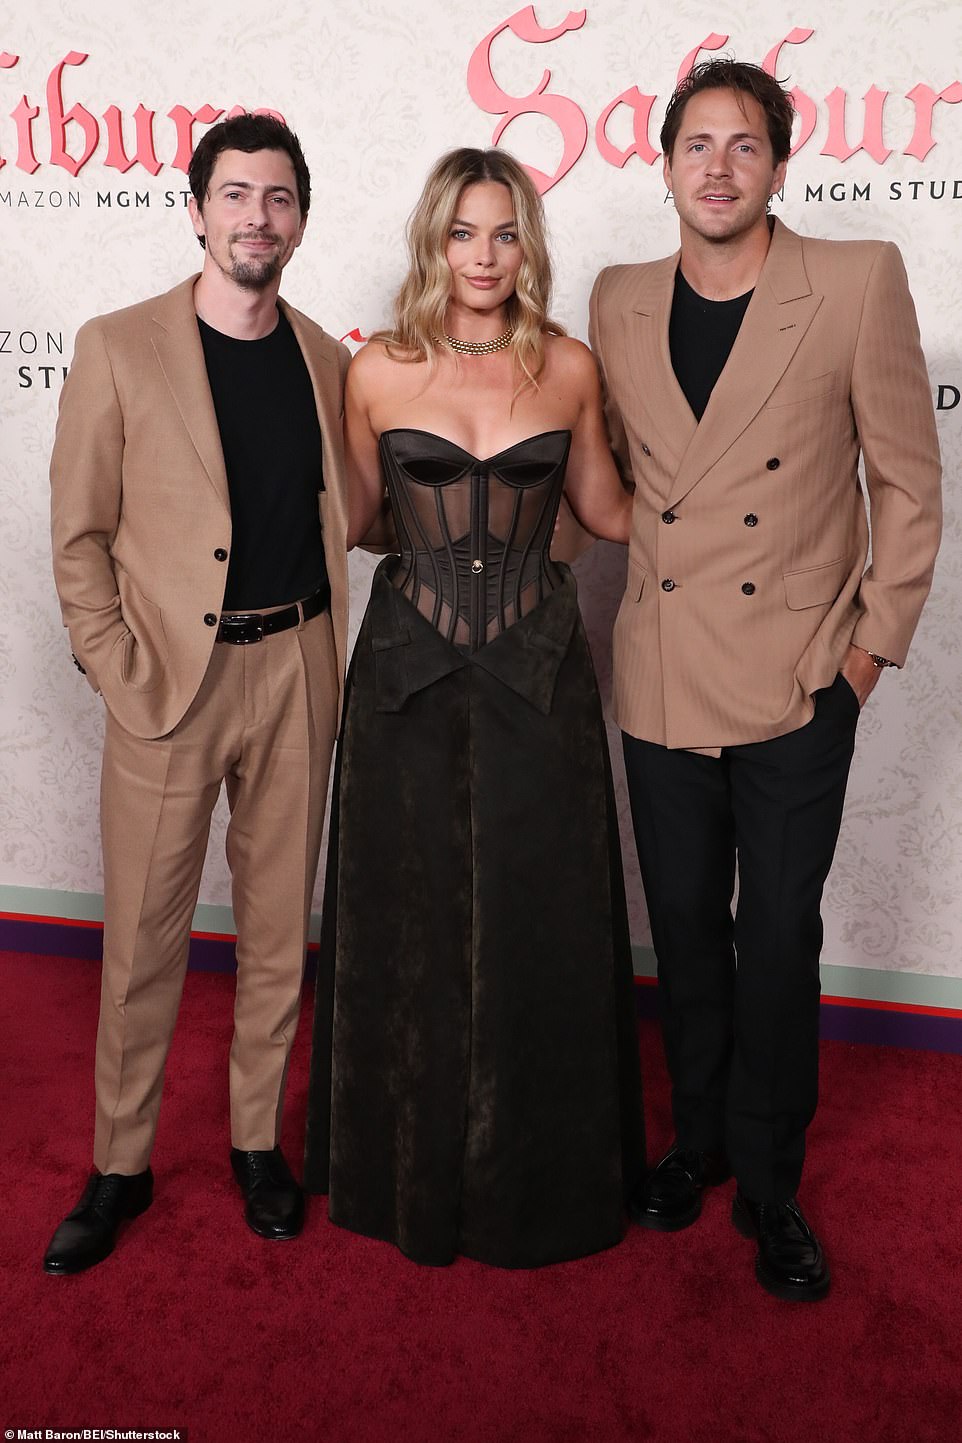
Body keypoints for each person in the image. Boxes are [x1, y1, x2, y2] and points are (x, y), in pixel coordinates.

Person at [589, 60, 942, 1299]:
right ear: (666, 163)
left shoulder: (850, 281)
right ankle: (693, 1142)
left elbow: (904, 479)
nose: (718, 167)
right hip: (663, 672)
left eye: (744, 146)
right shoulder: (616, 297)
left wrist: (860, 658)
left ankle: (772, 1182)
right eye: (696, 144)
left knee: (776, 938)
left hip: (798, 676)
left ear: (779, 165)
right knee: (681, 928)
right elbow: (624, 479)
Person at [303, 147, 645, 1268]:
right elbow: (357, 521)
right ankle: (397, 1168)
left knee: (540, 915)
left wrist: (740, 482)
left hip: (539, 672)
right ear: (433, 241)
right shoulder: (377, 373)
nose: (483, 256)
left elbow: (601, 509)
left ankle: (536, 1176)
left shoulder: (570, 367)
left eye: (503, 233)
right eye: (462, 233)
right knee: (404, 926)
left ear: (525, 243)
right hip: (403, 673)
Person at [44, 114, 351, 1274]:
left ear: (301, 220)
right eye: (235, 195)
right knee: (143, 940)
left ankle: (254, 1141)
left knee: (278, 933)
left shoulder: (327, 356)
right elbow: (78, 537)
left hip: (297, 671)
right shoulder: (118, 345)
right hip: (171, 683)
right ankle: (119, 1164)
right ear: (196, 209)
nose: (255, 217)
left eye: (277, 198)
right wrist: (119, 672)